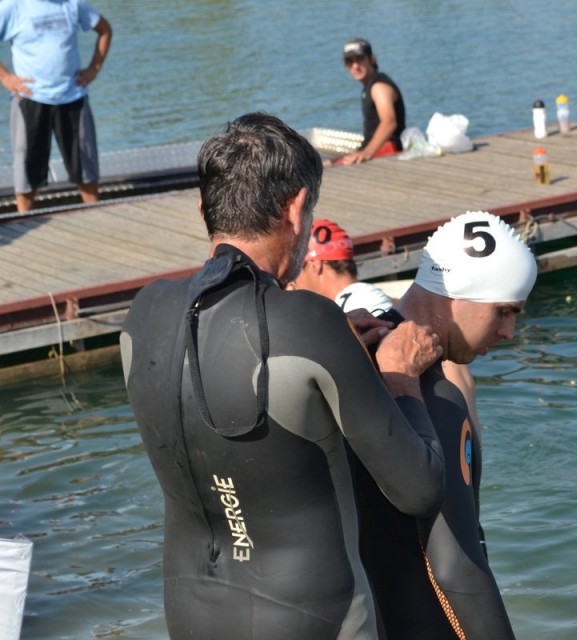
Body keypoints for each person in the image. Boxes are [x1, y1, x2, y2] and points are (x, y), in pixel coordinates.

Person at [120, 112, 446, 640]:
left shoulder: (144, 312)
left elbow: (226, 359)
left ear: (204, 209)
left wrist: (333, 346)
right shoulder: (311, 323)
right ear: (296, 209)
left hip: (190, 614)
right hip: (317, 618)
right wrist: (399, 374)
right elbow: (418, 489)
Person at [354, 210, 537, 639]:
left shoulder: (350, 356)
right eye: (503, 311)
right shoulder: (439, 399)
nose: (510, 331)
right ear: (458, 295)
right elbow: (459, 569)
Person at [287, 217, 483, 427]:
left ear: (316, 265)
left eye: (298, 269)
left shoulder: (357, 299)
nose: (293, 281)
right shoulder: (371, 298)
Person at [0, 0, 113, 212]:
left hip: (73, 98)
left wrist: (93, 69)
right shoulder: (12, 7)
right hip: (30, 99)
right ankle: (24, 222)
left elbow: (105, 30)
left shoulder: (74, 4)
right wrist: (6, 77)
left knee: (86, 171)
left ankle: (97, 218)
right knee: (27, 174)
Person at [334, 38, 405, 166]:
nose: (355, 66)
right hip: (376, 148)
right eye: (349, 62)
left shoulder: (379, 86)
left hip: (388, 148)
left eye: (359, 59)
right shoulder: (370, 85)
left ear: (372, 59)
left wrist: (366, 153)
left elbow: (389, 122)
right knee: (326, 164)